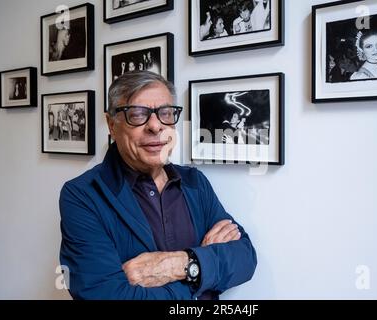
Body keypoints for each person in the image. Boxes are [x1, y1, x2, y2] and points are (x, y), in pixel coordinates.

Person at [59, 71, 257, 300]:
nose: (155, 126)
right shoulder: (83, 195)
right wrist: (202, 269)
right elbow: (105, 295)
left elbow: (245, 258)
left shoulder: (195, 182)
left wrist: (177, 265)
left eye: (165, 113)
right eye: (137, 114)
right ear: (112, 125)